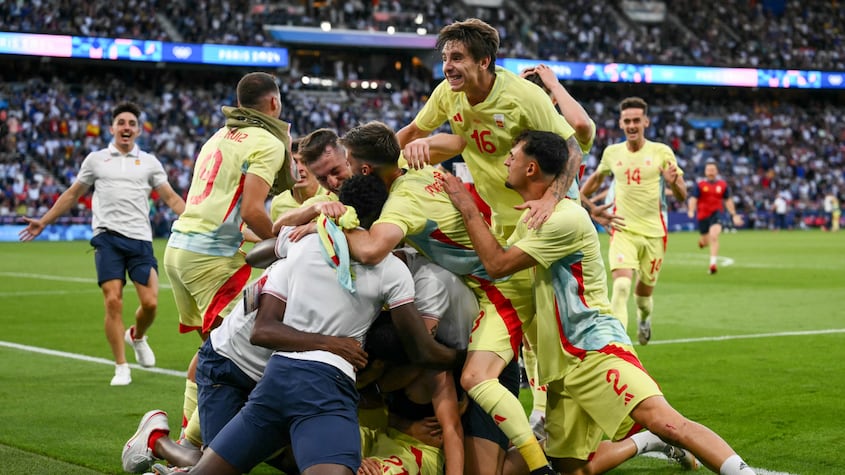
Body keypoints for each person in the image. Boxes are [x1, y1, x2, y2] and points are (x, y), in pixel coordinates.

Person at [445, 129, 756, 475]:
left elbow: (498, 264)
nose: (505, 160)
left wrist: (467, 206)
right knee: (574, 469)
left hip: (593, 348)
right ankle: (646, 442)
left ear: (531, 168)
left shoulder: (562, 218)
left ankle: (741, 472)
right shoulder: (533, 217)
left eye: (513, 155)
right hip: (560, 365)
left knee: (666, 421)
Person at [181, 174, 462, 475]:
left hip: (275, 376)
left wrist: (300, 228)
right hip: (324, 384)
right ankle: (159, 444)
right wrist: (462, 359)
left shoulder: (305, 242)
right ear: (384, 216)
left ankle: (163, 446)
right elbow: (419, 348)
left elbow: (259, 275)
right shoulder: (392, 269)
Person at [338, 121, 554, 475]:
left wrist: (338, 220)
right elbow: (459, 139)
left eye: (346, 163)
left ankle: (550, 455)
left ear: (365, 169)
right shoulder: (415, 170)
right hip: (484, 298)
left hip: (498, 295)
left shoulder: (402, 205)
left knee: (475, 383)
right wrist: (427, 142)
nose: (342, 173)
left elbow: (372, 250)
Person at [162, 71, 293, 441]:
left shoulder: (217, 136)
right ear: (274, 103)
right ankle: (193, 445)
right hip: (209, 258)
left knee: (214, 350)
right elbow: (253, 209)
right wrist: (286, 245)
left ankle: (189, 439)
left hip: (179, 249)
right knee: (243, 347)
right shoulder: (268, 142)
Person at [19, 101, 185, 386]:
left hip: (141, 240)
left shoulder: (149, 162)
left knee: (151, 303)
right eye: (121, 122)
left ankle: (137, 336)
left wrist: (196, 219)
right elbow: (72, 194)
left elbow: (170, 198)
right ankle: (121, 366)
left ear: (138, 130)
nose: (126, 127)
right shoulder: (96, 160)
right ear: (112, 128)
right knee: (113, 300)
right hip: (107, 238)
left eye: (131, 124)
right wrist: (44, 221)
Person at [396, 18, 583, 237]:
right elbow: (413, 132)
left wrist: (549, 201)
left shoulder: (524, 96)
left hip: (547, 214)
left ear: (483, 62)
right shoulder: (446, 93)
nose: (447, 67)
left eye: (457, 58)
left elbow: (573, 149)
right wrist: (372, 162)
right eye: (445, 58)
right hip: (502, 216)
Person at [580, 96, 687, 345]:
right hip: (622, 229)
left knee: (642, 296)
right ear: (620, 123)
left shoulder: (661, 152)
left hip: (654, 233)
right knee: (620, 287)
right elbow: (597, 178)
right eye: (627, 120)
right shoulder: (612, 153)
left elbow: (682, 194)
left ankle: (644, 318)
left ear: (645, 122)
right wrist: (581, 200)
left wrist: (673, 183)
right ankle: (620, 346)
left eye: (636, 120)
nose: (631, 125)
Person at [687, 160, 744, 274]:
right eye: (708, 170)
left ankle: (713, 264)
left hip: (716, 214)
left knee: (714, 236)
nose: (711, 172)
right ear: (705, 171)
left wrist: (733, 215)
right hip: (702, 215)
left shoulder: (722, 185)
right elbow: (693, 198)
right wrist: (691, 210)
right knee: (705, 241)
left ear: (717, 171)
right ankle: (702, 242)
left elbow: (728, 200)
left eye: (713, 170)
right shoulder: (700, 185)